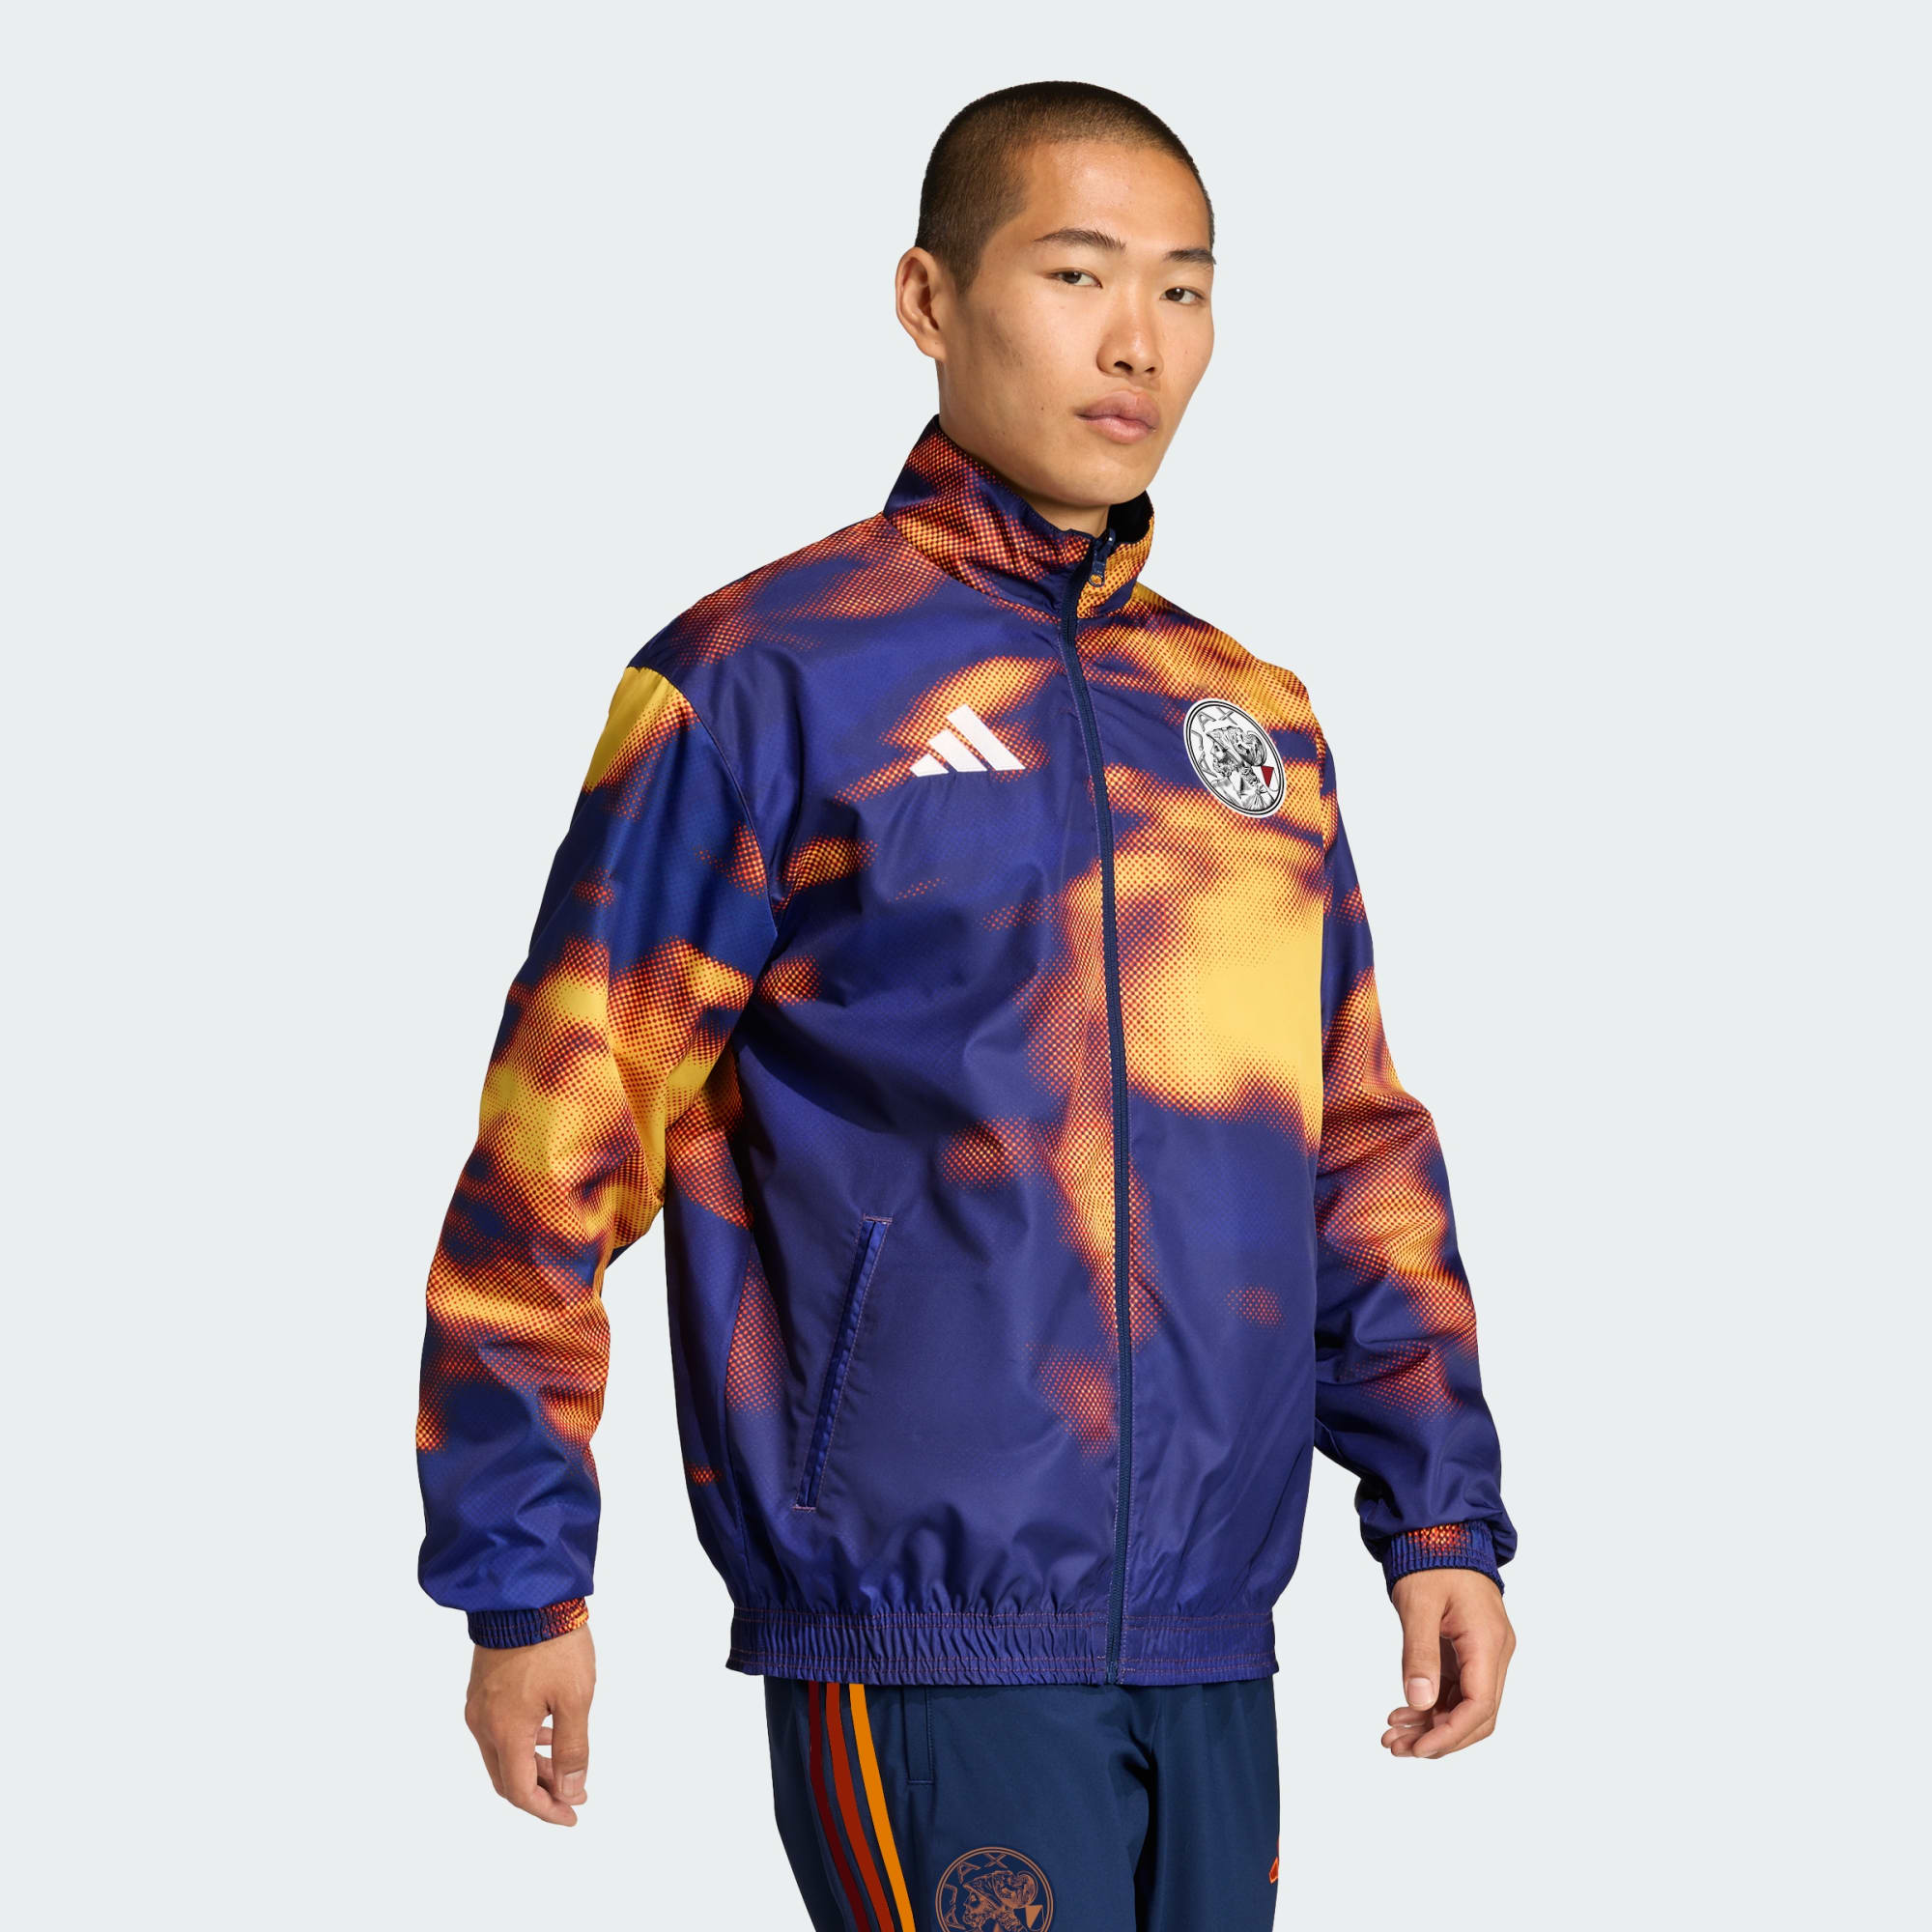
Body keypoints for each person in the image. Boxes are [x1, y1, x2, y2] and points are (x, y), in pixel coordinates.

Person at [416, 78, 1517, 1930]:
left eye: (1184, 287)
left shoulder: (1249, 724)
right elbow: (560, 1135)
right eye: (1077, 274)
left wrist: (1439, 1516)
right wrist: (520, 1575)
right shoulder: (762, 683)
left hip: (1211, 1629)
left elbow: (1352, 1144)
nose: (1137, 340)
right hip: (919, 1623)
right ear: (929, 300)